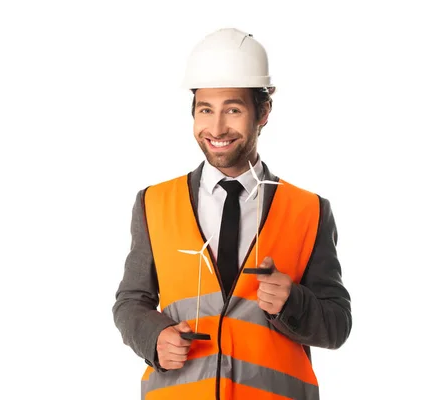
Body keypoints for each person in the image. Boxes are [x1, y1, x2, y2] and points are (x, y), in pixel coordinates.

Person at [112, 27, 352, 400]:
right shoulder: (153, 203)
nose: (218, 128)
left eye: (234, 110)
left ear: (264, 112)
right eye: (206, 109)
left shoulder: (310, 211)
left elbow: (337, 325)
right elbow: (130, 302)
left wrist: (293, 302)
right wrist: (155, 336)